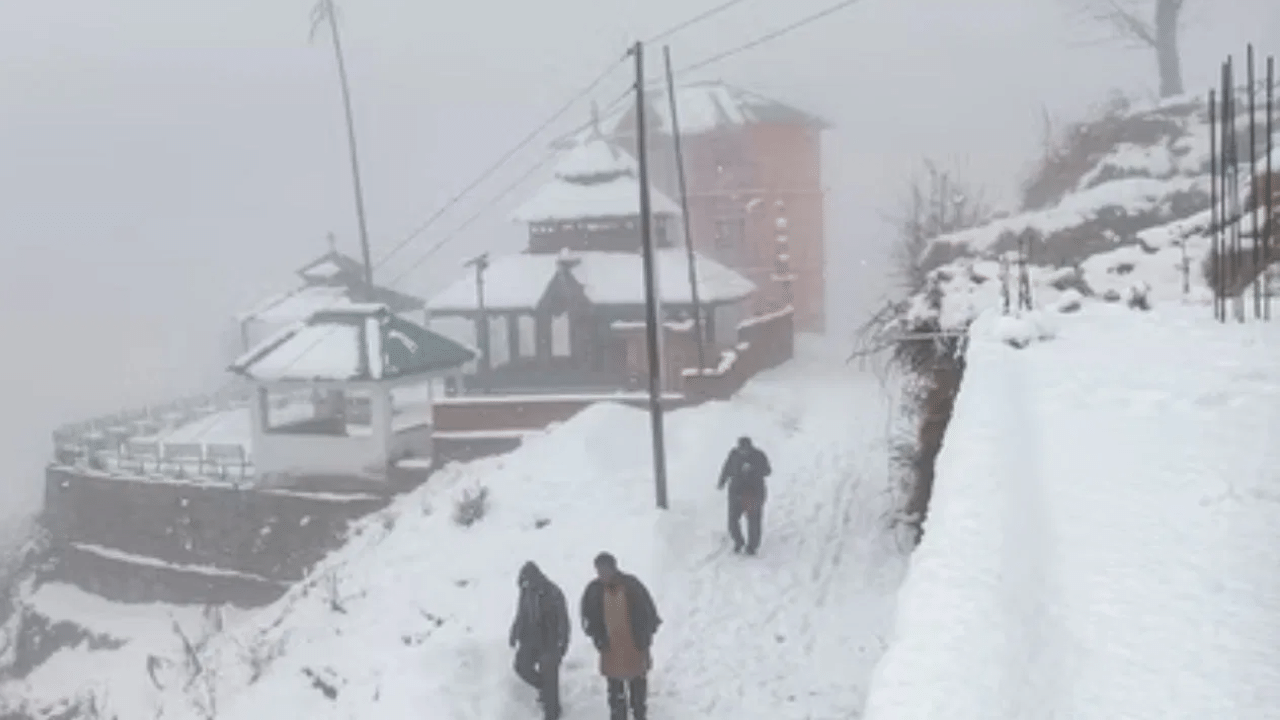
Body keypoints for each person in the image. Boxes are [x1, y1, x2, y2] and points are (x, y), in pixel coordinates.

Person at [579, 552, 661, 720]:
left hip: (634, 645)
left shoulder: (631, 585)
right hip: (610, 647)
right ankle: (618, 716)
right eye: (599, 570)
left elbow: (648, 611)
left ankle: (639, 714)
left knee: (637, 686)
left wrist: (646, 637)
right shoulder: (594, 590)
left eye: (604, 570)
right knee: (615, 689)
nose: (601, 574)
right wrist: (596, 637)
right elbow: (587, 617)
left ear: (613, 568)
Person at [509, 561, 570, 720]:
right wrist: (514, 633)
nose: (526, 583)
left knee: (550, 677)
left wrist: (563, 643)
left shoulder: (553, 592)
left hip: (550, 641)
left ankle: (553, 712)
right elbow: (521, 614)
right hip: (530, 639)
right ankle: (544, 688)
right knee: (521, 666)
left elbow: (563, 620)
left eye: (528, 580)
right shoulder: (525, 591)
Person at [717, 436, 772, 555]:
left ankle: (752, 546)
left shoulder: (759, 455)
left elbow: (767, 471)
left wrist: (753, 469)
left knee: (753, 520)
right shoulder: (734, 455)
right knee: (732, 520)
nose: (744, 452)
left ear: (751, 448)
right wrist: (722, 481)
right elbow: (726, 468)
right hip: (736, 491)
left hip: (754, 492)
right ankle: (738, 541)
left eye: (746, 450)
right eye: (742, 449)